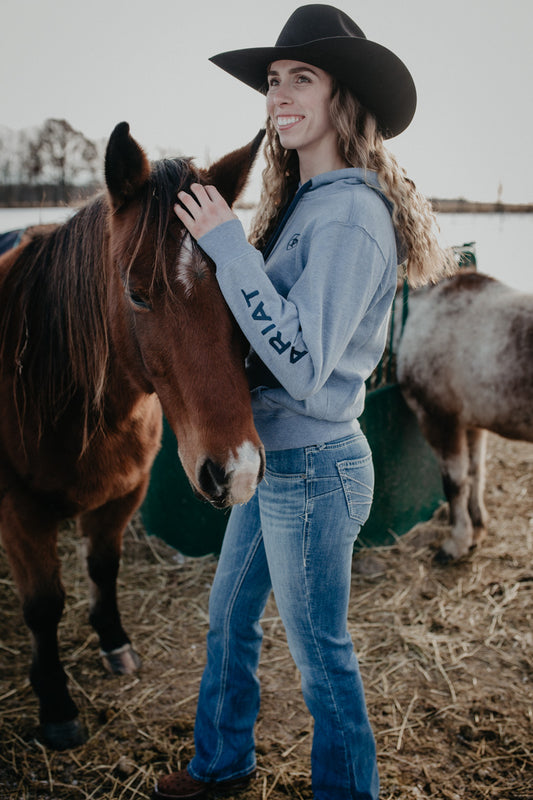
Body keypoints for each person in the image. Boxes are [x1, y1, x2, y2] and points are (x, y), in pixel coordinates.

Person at [153, 5, 451, 799]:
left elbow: (304, 367)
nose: (279, 95)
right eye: (274, 81)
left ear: (342, 97)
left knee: (321, 655)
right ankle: (221, 768)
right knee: (228, 620)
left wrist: (226, 247)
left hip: (314, 470)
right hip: (276, 458)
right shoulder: (307, 203)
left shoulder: (350, 216)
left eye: (301, 80)